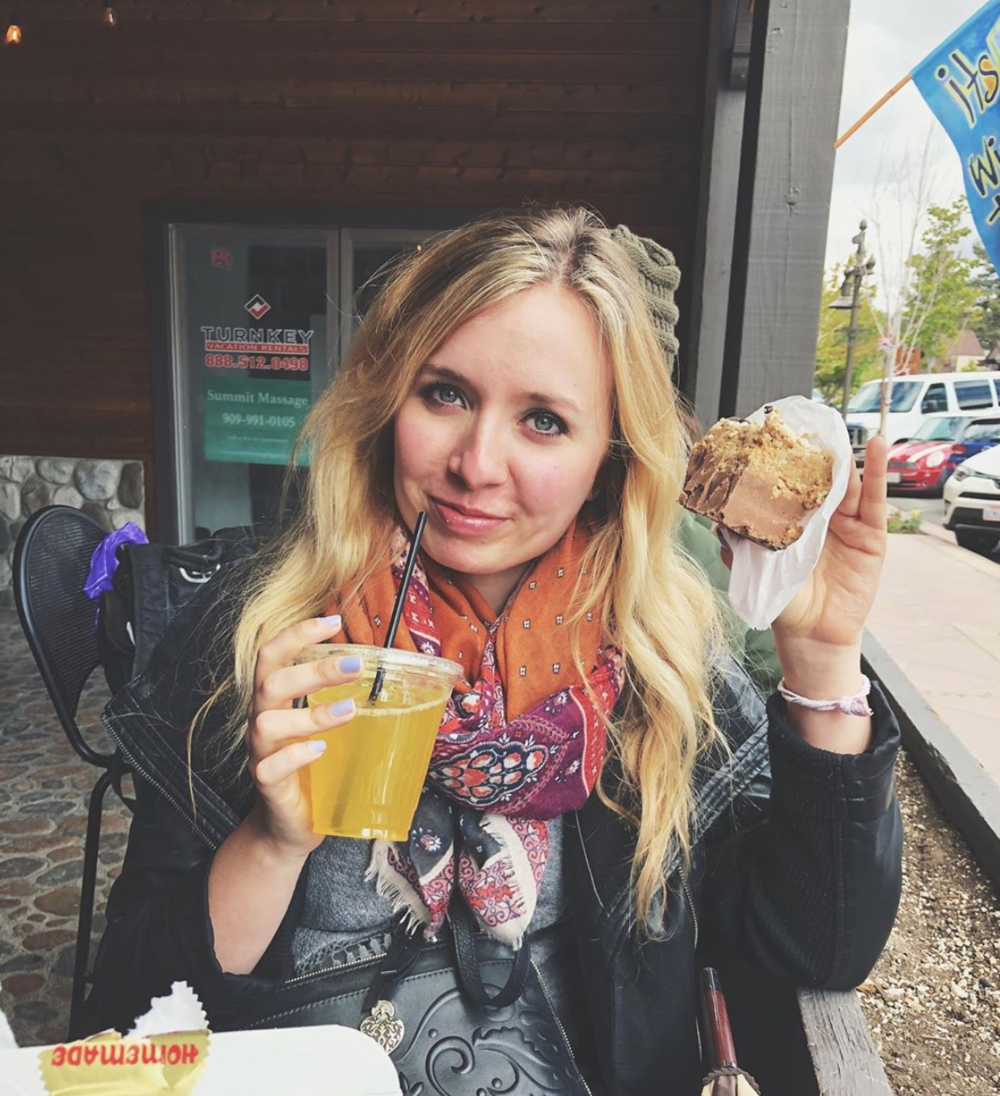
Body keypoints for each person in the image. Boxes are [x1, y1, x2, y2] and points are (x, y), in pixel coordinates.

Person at [87, 208, 901, 1095]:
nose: (477, 463)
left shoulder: (660, 666)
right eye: (446, 394)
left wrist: (823, 661)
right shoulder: (262, 636)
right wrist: (274, 841)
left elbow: (819, 946)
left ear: (610, 456)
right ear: (387, 399)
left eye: (544, 421)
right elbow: (128, 1021)